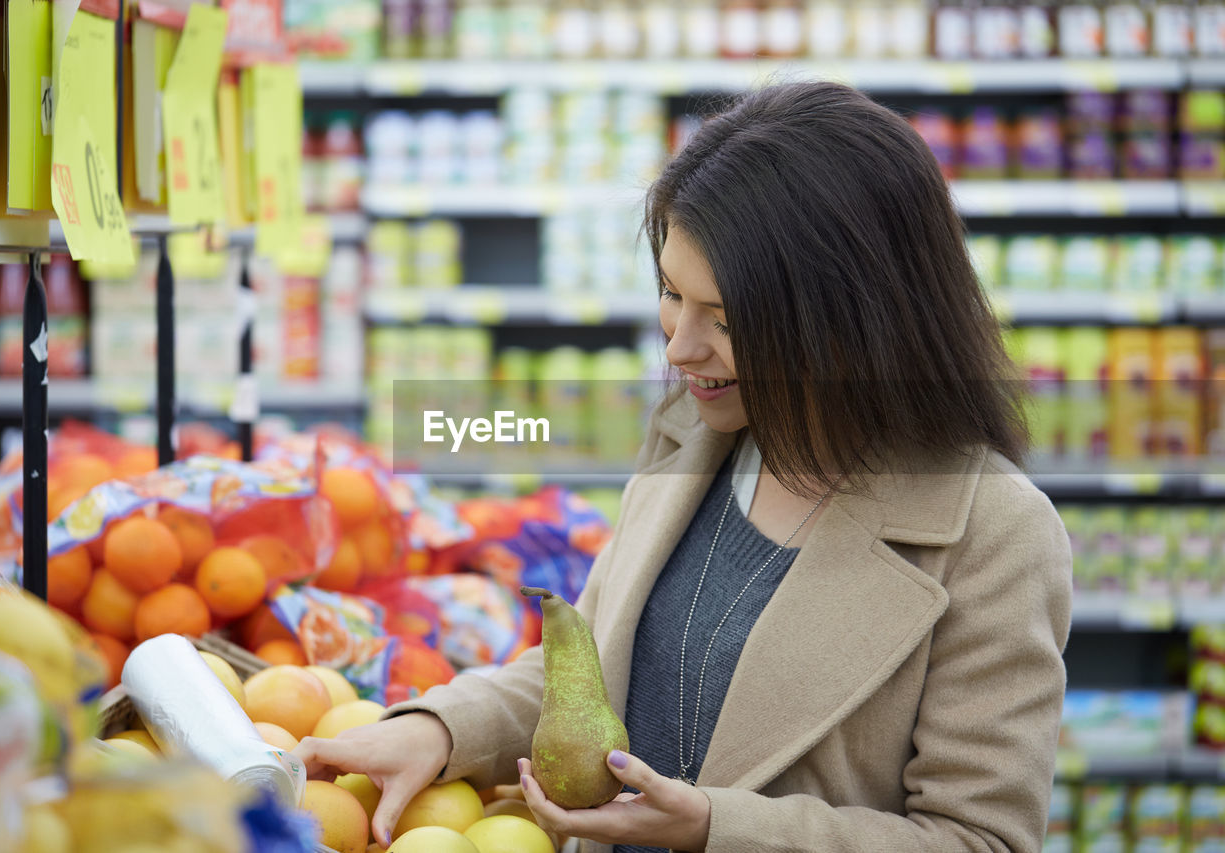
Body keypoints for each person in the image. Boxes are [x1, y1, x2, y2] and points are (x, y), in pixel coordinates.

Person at [295, 81, 1073, 853]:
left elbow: (980, 837)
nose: (679, 347)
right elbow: (595, 669)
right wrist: (442, 727)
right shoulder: (695, 437)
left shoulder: (995, 534)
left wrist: (714, 827)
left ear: (855, 320)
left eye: (728, 321)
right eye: (672, 293)